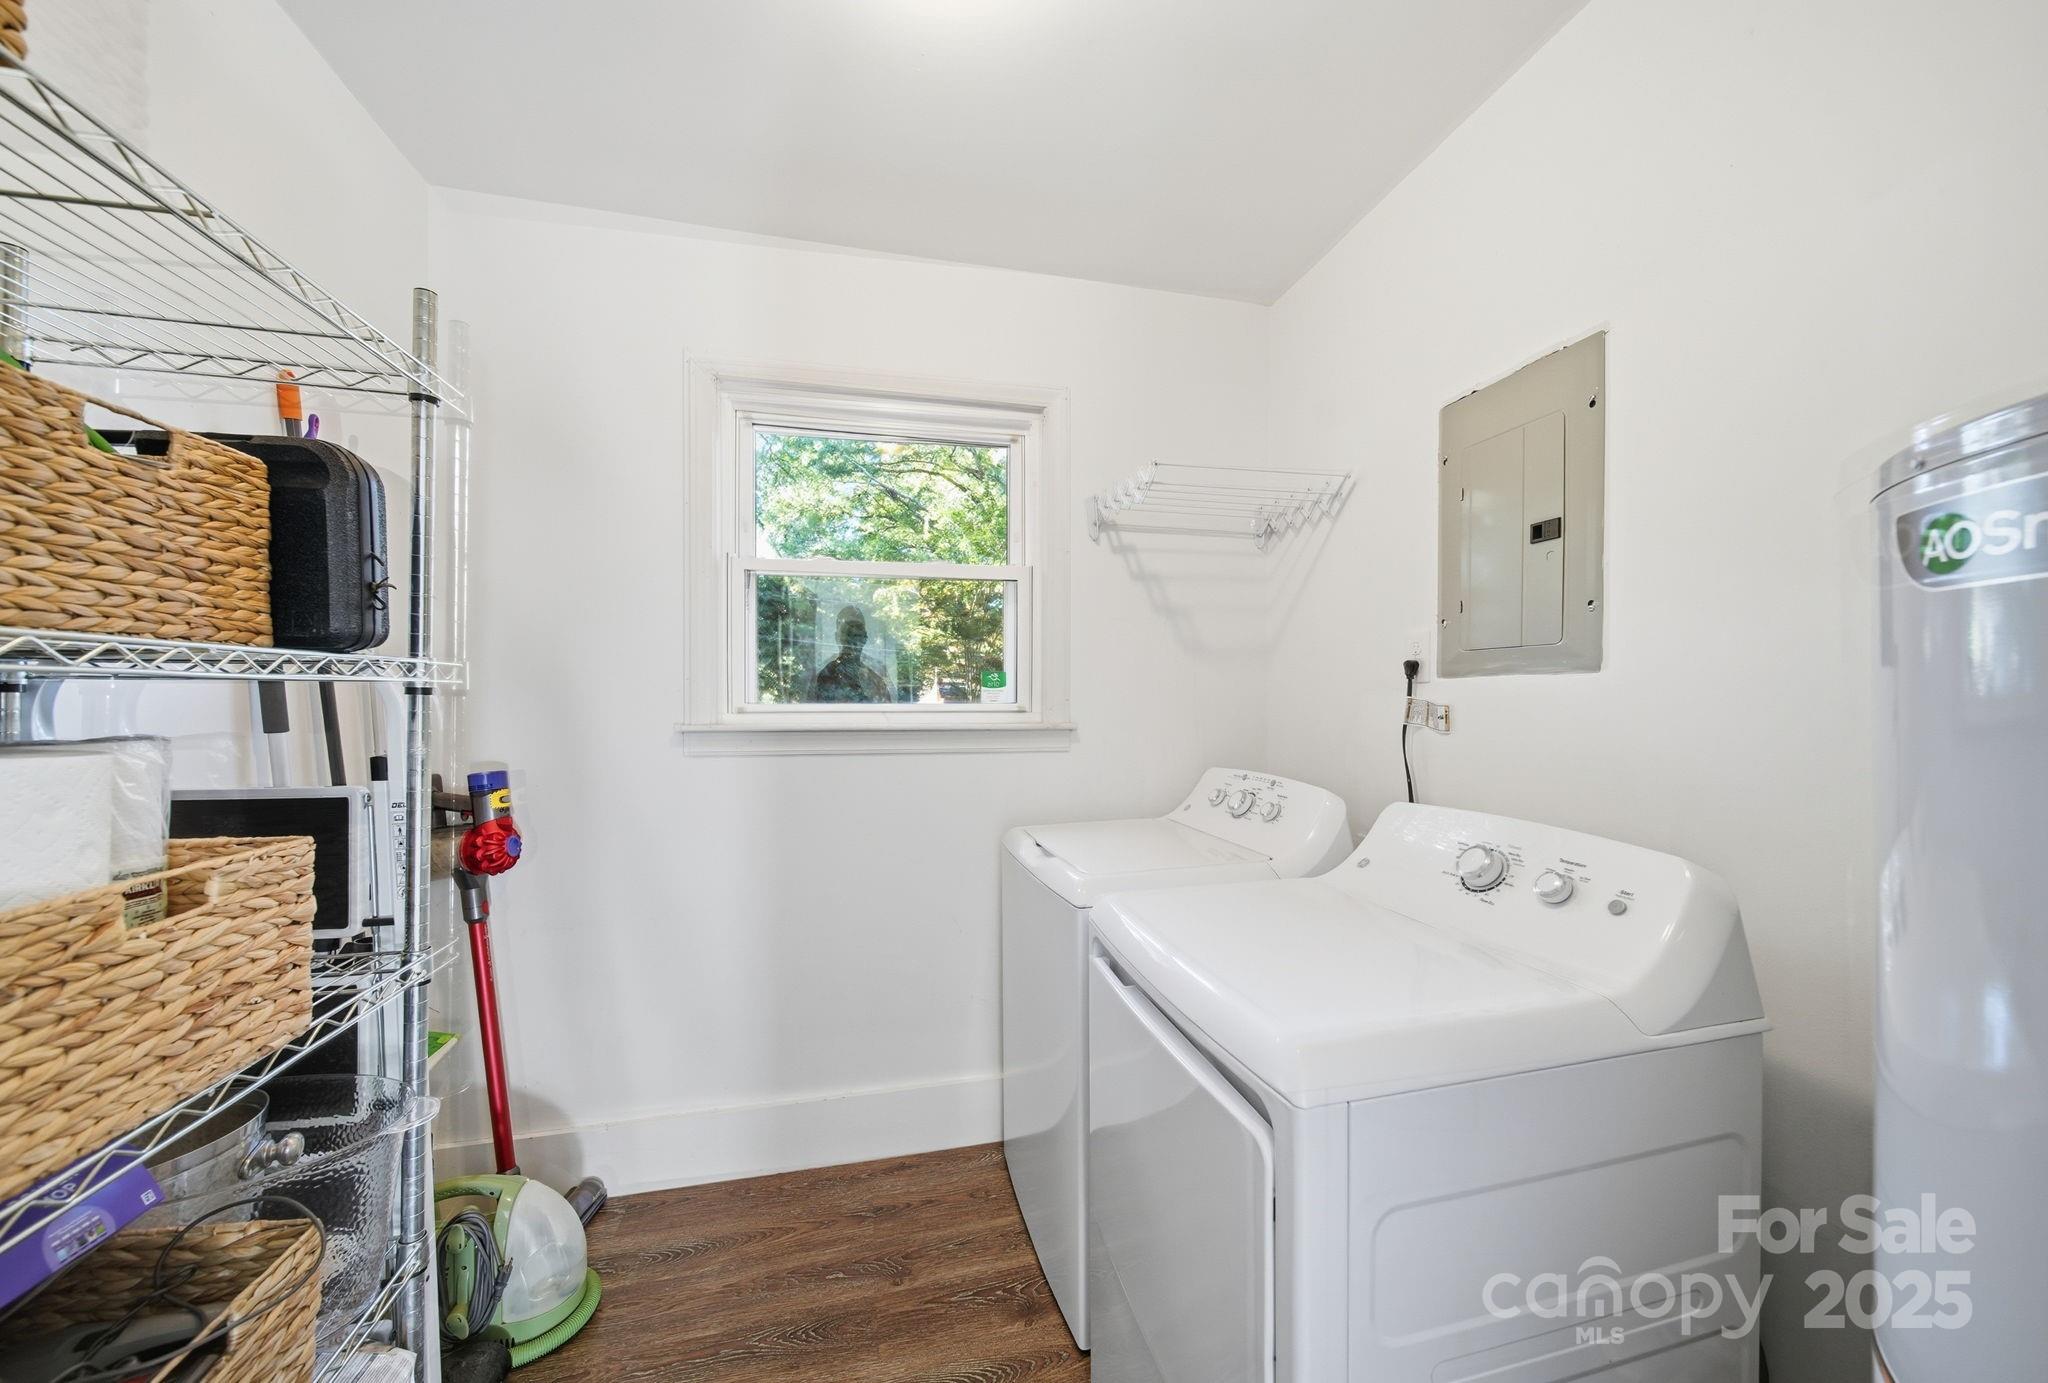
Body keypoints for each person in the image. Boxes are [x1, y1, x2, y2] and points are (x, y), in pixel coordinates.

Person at [808, 605, 894, 703]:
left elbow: (889, 707)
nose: (853, 640)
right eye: (849, 633)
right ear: (838, 638)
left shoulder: (878, 672)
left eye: (857, 633)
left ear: (865, 637)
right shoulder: (825, 674)